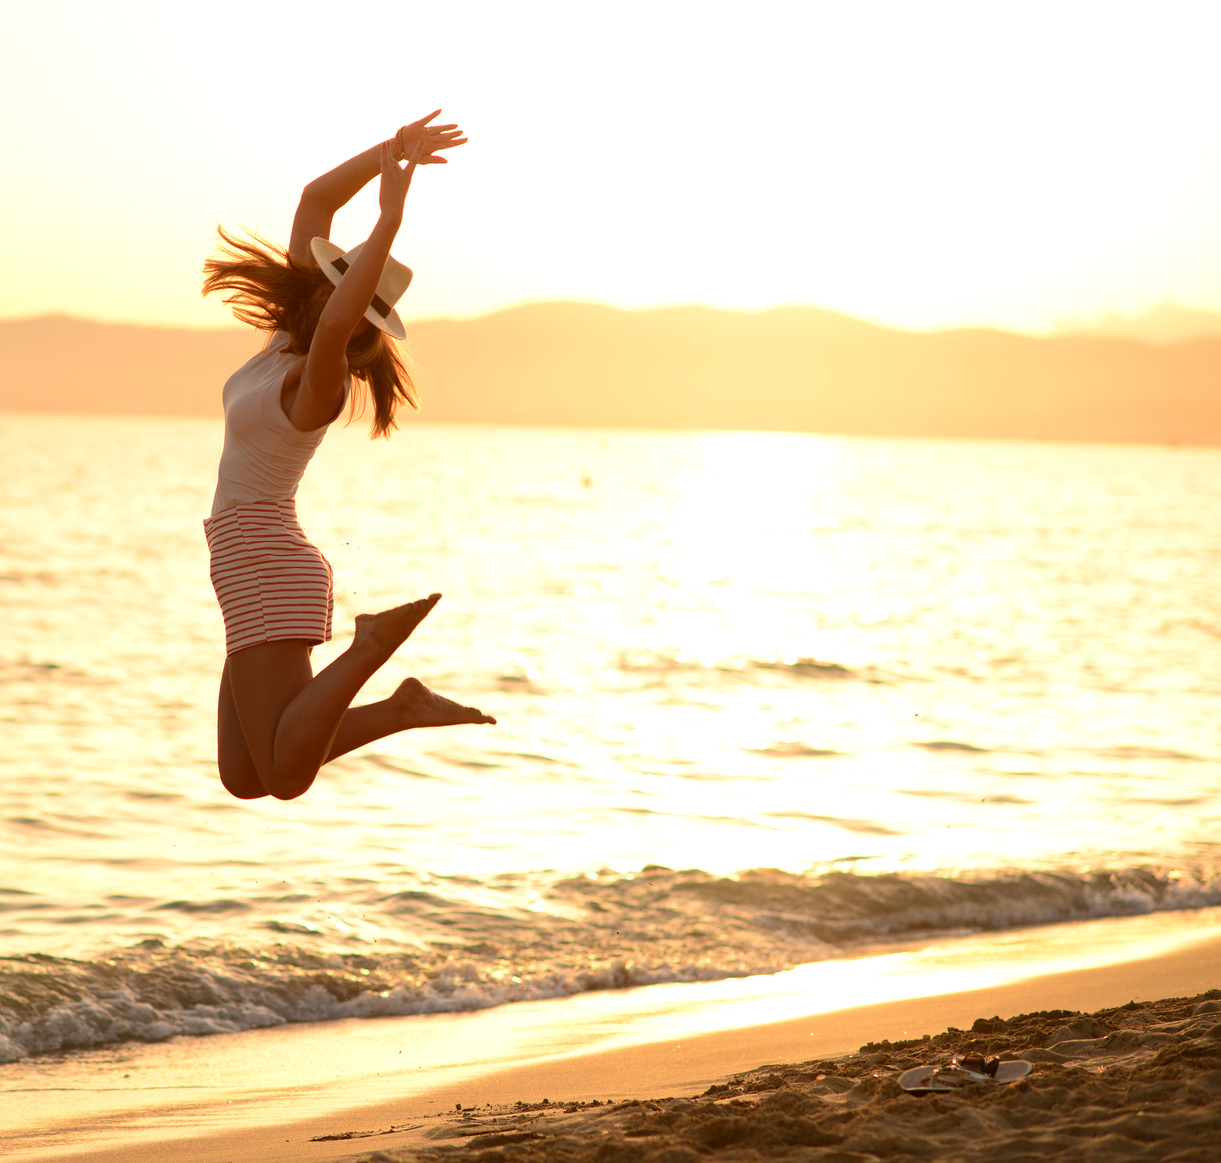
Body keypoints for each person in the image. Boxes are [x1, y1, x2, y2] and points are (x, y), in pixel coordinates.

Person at [200, 110, 494, 803]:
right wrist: (391, 151)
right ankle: (402, 708)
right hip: (245, 563)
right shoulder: (282, 345)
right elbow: (315, 200)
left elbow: (336, 322)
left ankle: (370, 646)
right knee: (246, 776)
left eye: (338, 280)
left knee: (286, 778)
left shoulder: (315, 383)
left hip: (266, 562)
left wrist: (390, 218)